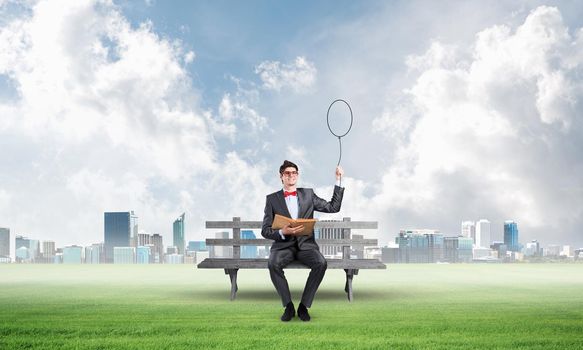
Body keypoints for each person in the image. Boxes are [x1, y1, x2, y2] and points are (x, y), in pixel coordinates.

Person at [261, 160, 344, 321]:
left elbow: (333, 207)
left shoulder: (308, 194)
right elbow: (265, 230)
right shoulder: (272, 199)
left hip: (306, 246)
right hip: (283, 246)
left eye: (294, 173)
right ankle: (288, 306)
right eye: (287, 173)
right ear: (281, 177)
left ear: (297, 176)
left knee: (321, 263)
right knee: (272, 264)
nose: (291, 175)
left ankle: (304, 306)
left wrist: (338, 180)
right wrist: (282, 232)